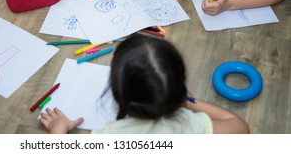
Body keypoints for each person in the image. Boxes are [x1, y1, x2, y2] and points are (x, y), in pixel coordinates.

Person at [39, 34, 249, 134]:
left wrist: (59, 130)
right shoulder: (189, 125)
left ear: (118, 93)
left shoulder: (110, 135)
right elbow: (239, 126)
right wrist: (188, 101)